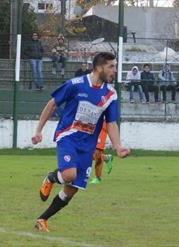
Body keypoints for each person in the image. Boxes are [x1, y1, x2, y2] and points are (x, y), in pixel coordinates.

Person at [31, 52, 130, 232]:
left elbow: (112, 122)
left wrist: (117, 146)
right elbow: (52, 104)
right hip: (68, 136)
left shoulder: (110, 94)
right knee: (68, 175)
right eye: (111, 66)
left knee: (71, 189)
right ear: (99, 67)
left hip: (87, 145)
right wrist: (38, 130)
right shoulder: (75, 84)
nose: (114, 70)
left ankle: (42, 219)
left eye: (115, 66)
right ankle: (52, 177)